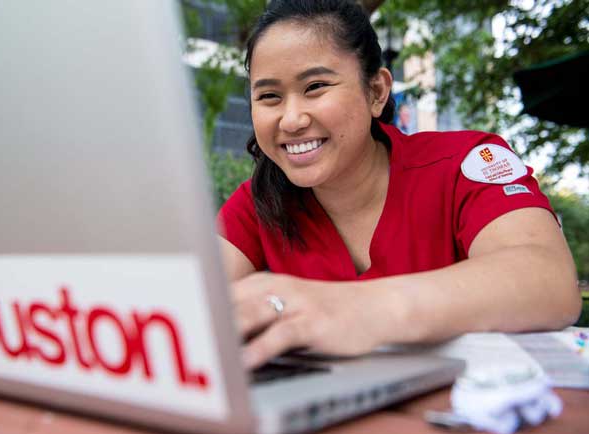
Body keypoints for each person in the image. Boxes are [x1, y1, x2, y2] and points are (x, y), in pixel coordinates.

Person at [216, 0, 581, 370]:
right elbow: (189, 301)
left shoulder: (465, 163)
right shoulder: (256, 201)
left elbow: (547, 281)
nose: (291, 119)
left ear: (376, 91)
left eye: (315, 86)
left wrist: (355, 309)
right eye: (269, 97)